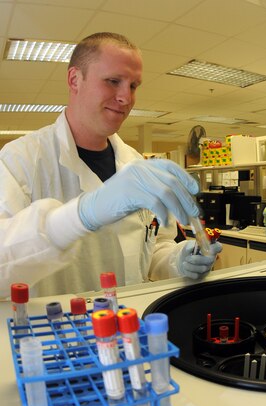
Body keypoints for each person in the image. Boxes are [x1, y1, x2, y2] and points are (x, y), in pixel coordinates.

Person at [0, 32, 221, 298]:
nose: (126, 98)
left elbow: (154, 249)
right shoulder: (19, 160)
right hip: (58, 331)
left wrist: (179, 259)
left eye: (133, 86)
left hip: (129, 327)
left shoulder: (136, 164)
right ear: (74, 80)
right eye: (113, 81)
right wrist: (83, 214)